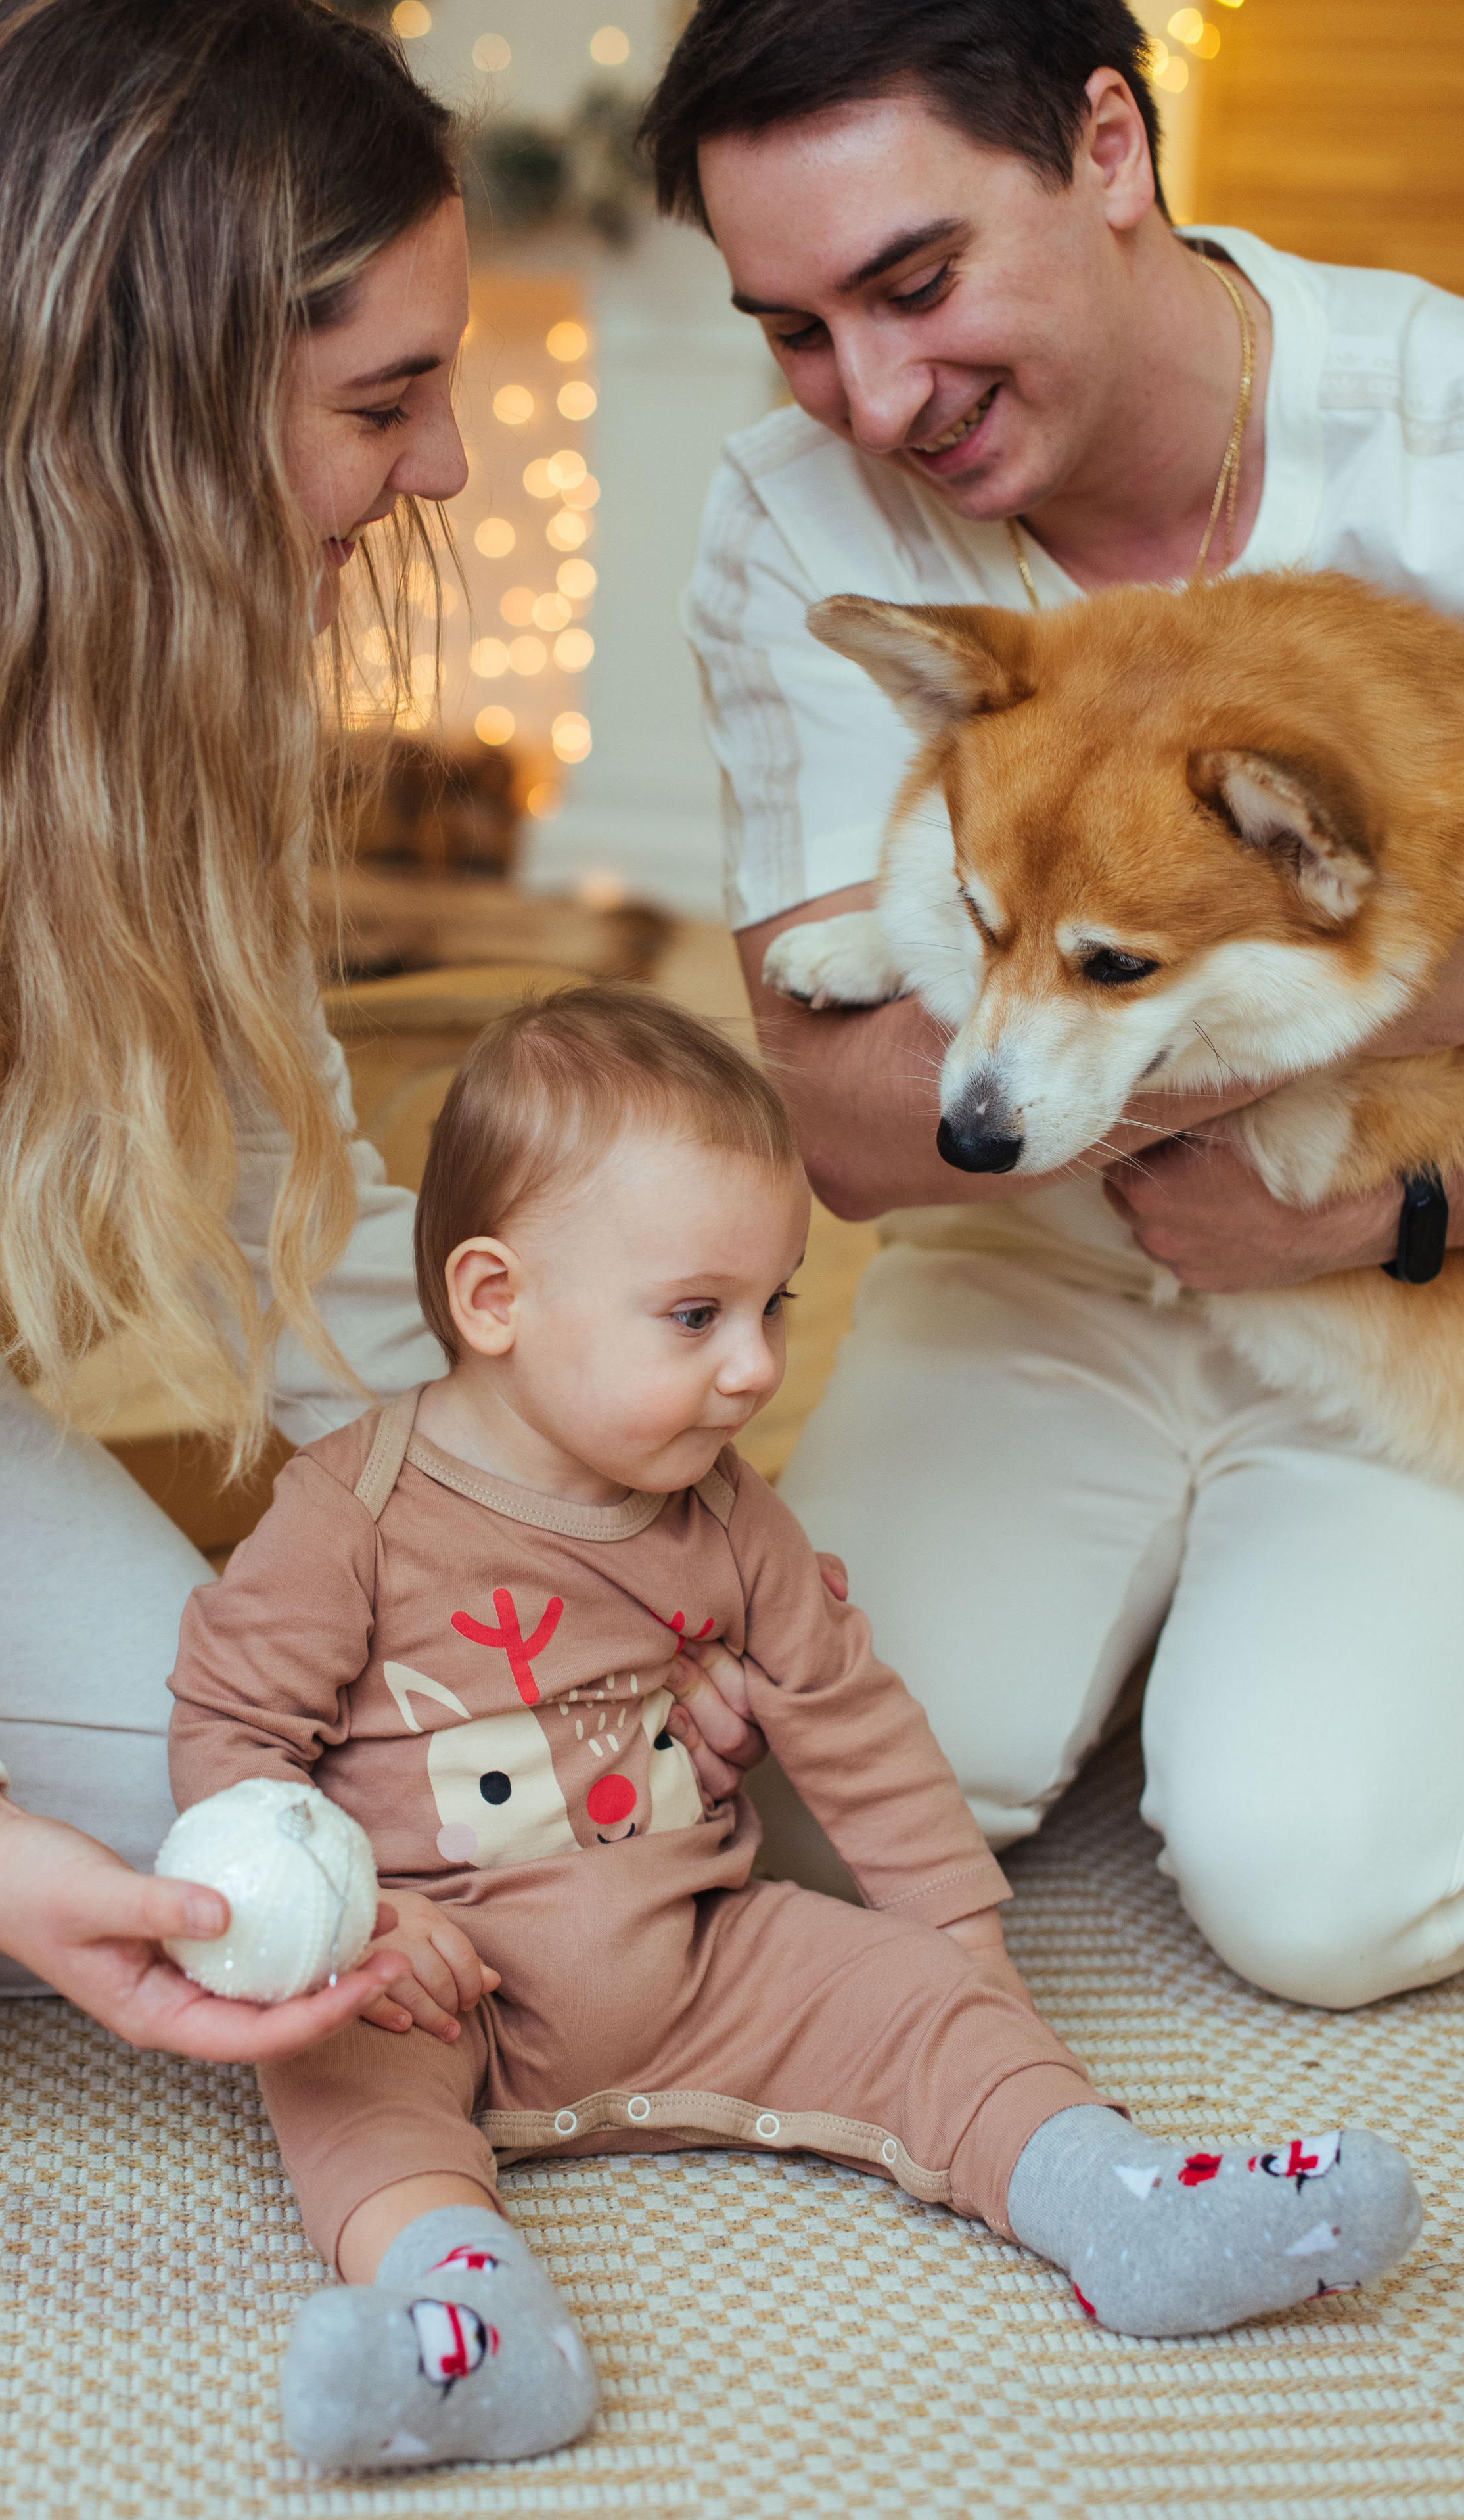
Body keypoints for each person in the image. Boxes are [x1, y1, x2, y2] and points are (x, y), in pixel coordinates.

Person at [166, 986, 1420, 2475]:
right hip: (444, 1986)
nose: (756, 1366)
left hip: (700, 1948)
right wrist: (351, 1929)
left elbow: (851, 1717)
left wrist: (960, 1950)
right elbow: (231, 1741)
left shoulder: (727, 1510)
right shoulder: (350, 1512)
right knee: (330, 2079)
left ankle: (1122, 2207)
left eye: (775, 1306)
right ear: (495, 1301)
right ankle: (476, 2320)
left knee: (914, 1999)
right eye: (697, 1316)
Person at [637, 0, 1464, 2010]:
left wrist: (1391, 1208)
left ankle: (1257, 1657)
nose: (873, 398)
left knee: (1318, 1896)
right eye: (795, 327)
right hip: (1025, 1266)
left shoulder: (1434, 423)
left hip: (1405, 1276)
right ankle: (1136, 1622)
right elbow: (854, 1126)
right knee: (800, 1814)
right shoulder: (795, 514)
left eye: (916, 283)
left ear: (1109, 146)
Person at [0, 0, 482, 2170]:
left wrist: (528, 1558)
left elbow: (288, 1173)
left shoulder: (163, 630)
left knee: (284, 1830)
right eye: (385, 401)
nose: (447, 468)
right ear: (148, 399)